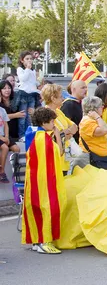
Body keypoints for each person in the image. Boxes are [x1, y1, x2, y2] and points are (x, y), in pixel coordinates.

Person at [21, 107, 66, 254]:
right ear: (44, 122)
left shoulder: (33, 134)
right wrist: (58, 135)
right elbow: (58, 152)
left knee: (35, 210)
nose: (54, 124)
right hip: (44, 181)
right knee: (49, 208)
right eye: (52, 121)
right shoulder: (44, 139)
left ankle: (36, 240)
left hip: (34, 181)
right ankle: (45, 241)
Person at [41, 84, 79, 173]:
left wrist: (66, 132)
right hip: (56, 159)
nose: (63, 99)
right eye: (61, 96)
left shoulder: (59, 111)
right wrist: (66, 133)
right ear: (53, 99)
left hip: (66, 156)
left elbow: (75, 127)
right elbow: (53, 137)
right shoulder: (45, 114)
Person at [79, 96, 107, 171]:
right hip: (96, 160)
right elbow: (104, 130)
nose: (103, 107)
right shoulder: (87, 122)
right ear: (94, 109)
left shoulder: (94, 119)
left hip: (106, 158)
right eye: (101, 106)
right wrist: (97, 117)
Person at [16, 51, 41, 140]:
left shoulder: (33, 70)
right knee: (23, 116)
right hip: (24, 94)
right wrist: (27, 69)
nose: (29, 60)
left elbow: (33, 82)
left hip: (32, 94)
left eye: (31, 59)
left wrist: (39, 80)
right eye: (27, 59)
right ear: (22, 60)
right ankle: (21, 135)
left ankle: (28, 133)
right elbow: (23, 78)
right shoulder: (20, 69)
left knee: (30, 116)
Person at [0, 99, 19, 183]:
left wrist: (7, 137)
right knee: (5, 148)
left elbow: (6, 125)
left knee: (16, 149)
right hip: (0, 137)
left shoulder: (2, 110)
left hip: (4, 135)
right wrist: (2, 138)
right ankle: (2, 172)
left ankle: (16, 172)